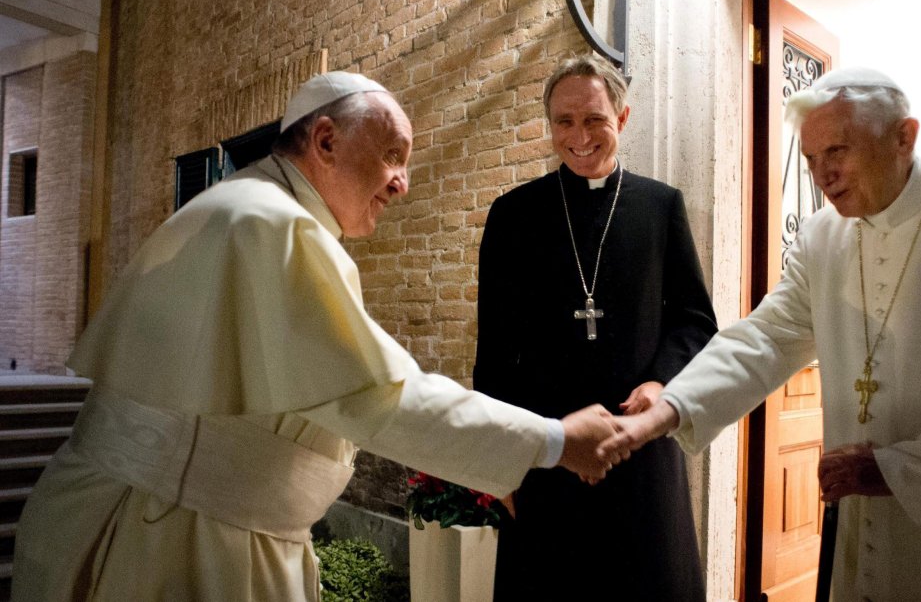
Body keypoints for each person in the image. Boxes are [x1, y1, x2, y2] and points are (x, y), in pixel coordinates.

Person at [12, 72, 620, 601]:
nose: (402, 183)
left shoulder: (250, 208)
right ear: (326, 141)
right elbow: (378, 398)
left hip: (189, 523)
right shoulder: (272, 225)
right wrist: (552, 440)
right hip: (170, 538)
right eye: (392, 155)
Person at [602, 67, 921, 600]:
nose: (822, 175)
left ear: (905, 136)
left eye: (837, 150)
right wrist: (669, 408)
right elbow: (765, 338)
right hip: (875, 511)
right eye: (811, 160)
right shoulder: (822, 236)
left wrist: (895, 469)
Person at [473, 55, 718, 601]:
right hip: (546, 451)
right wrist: (499, 462)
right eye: (564, 122)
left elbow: (694, 321)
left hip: (640, 450)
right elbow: (494, 353)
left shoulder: (660, 207)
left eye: (594, 120)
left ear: (622, 118)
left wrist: (660, 383)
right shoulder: (513, 216)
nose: (579, 137)